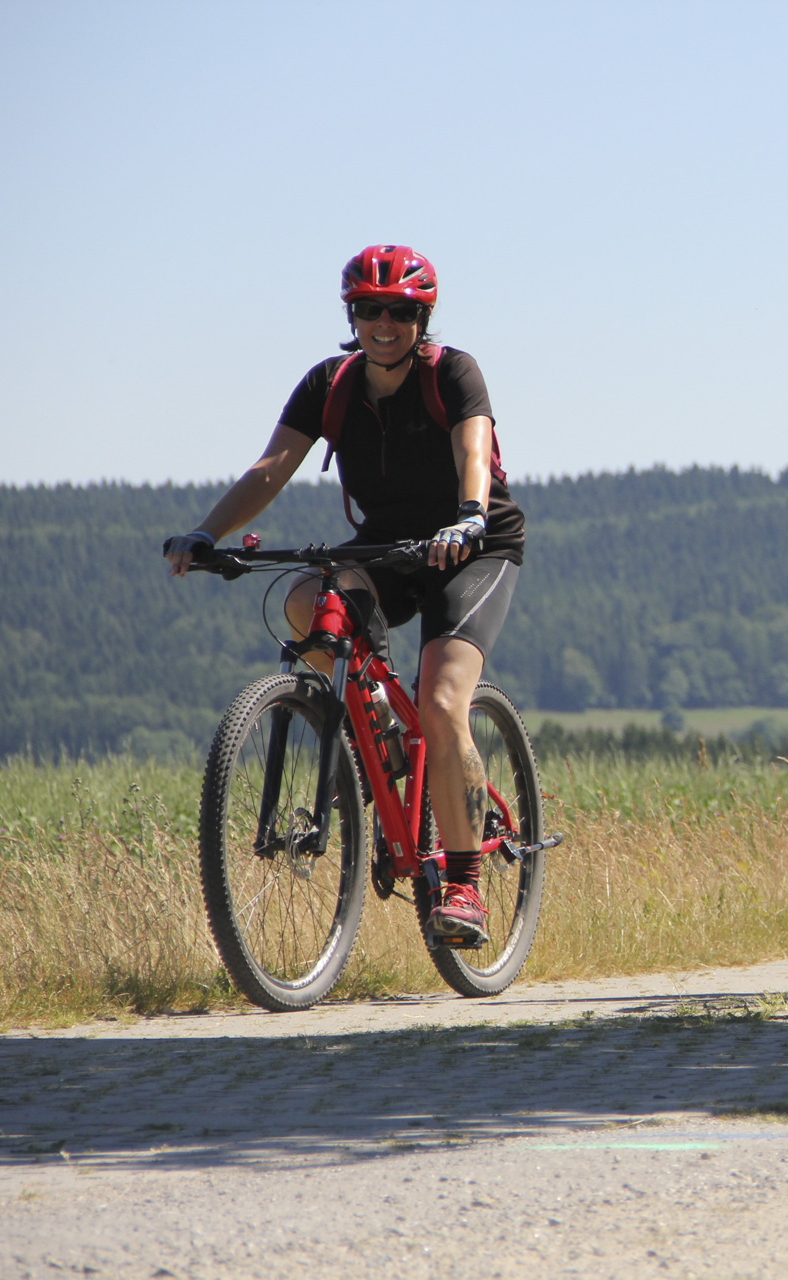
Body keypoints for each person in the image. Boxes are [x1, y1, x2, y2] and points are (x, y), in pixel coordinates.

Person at [163, 245, 527, 947]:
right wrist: (207, 534)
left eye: (398, 312)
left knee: (442, 701)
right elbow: (270, 469)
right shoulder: (329, 385)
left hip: (473, 547)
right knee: (308, 600)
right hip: (387, 546)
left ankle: (463, 887)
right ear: (351, 316)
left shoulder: (452, 372)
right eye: (367, 309)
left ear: (421, 319)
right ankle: (377, 728)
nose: (382, 324)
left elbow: (473, 453)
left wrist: (469, 516)